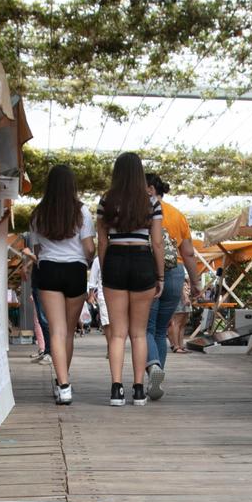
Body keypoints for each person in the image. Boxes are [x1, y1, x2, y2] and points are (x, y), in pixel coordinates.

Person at [95, 151, 165, 406]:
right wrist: (161, 276)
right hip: (142, 260)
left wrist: (104, 271)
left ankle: (116, 389)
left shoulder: (106, 201)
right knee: (138, 333)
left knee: (116, 334)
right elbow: (157, 243)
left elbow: (101, 240)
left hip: (114, 258)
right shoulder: (151, 203)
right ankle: (137, 390)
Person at [24, 165, 93, 405]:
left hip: (49, 271)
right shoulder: (82, 211)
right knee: (69, 332)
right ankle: (64, 379)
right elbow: (89, 247)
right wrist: (88, 259)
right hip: (75, 270)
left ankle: (64, 385)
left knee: (56, 330)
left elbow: (36, 250)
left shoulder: (38, 213)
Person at [144, 172, 202, 399]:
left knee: (145, 328)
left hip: (149, 271)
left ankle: (153, 367)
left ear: (150, 189)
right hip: (175, 273)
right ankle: (157, 376)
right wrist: (195, 282)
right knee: (161, 328)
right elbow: (187, 252)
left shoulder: (142, 211)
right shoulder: (177, 215)